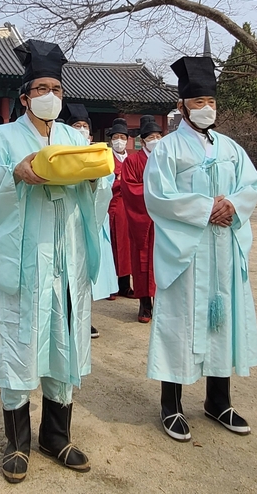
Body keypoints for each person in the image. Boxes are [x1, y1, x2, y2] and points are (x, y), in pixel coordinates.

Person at [0, 40, 110, 483]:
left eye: (57, 87)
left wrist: (95, 180)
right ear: (26, 96)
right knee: (20, 340)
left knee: (62, 343)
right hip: (24, 257)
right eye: (42, 87)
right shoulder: (2, 139)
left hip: (66, 255)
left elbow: (97, 189)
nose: (51, 94)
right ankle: (17, 442)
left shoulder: (74, 137)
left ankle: (57, 435)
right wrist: (14, 175)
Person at [143, 48, 257, 442]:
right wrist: (203, 208)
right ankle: (171, 405)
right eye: (199, 101)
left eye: (211, 101)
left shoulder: (230, 148)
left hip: (223, 251)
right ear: (182, 105)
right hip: (188, 253)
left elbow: (251, 185)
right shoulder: (167, 149)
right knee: (180, 322)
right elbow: (158, 196)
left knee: (222, 321)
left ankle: (218, 400)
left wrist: (233, 205)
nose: (206, 107)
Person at [65, 103, 118, 339]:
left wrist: (95, 184)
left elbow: (107, 182)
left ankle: (85, 318)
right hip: (65, 220)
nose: (81, 130)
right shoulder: (60, 152)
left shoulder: (98, 153)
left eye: (84, 126)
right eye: (76, 126)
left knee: (86, 271)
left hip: (93, 218)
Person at [123, 114, 163, 323]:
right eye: (151, 136)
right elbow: (129, 188)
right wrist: (153, 193)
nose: (155, 139)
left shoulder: (166, 158)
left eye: (158, 135)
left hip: (163, 219)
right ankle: (144, 305)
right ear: (143, 139)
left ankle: (162, 305)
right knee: (142, 262)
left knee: (163, 262)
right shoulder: (132, 160)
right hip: (142, 218)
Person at [107, 117, 134, 299]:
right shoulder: (106, 158)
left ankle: (125, 284)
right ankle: (110, 285)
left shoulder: (132, 160)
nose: (119, 140)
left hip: (130, 208)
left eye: (122, 137)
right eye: (116, 137)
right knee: (112, 247)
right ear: (111, 140)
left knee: (127, 247)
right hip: (112, 206)